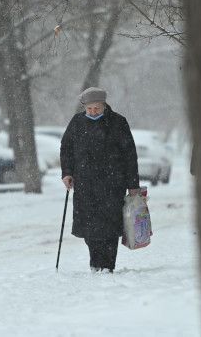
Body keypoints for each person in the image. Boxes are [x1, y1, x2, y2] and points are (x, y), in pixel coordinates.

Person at [60, 87, 140, 273]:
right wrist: (67, 172)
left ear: (104, 105)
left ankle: (108, 265)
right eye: (89, 109)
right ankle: (95, 263)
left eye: (96, 108)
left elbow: (130, 154)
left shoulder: (118, 122)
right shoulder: (77, 122)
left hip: (113, 183)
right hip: (85, 184)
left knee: (110, 227)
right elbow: (66, 148)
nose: (93, 112)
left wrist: (133, 185)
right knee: (90, 227)